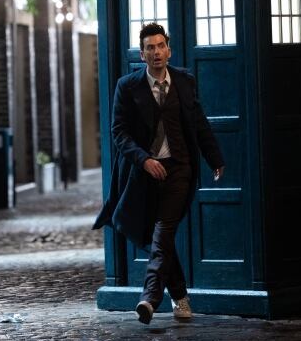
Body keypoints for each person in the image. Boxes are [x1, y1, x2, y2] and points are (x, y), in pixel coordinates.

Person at [92, 22, 225, 324]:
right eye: (149, 48)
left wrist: (214, 157)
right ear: (142, 54)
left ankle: (149, 298)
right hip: (143, 174)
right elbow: (119, 132)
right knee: (154, 238)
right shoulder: (127, 86)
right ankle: (180, 298)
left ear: (169, 50)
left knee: (164, 229)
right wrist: (143, 160)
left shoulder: (185, 82)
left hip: (179, 168)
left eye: (160, 46)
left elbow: (199, 123)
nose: (156, 52)